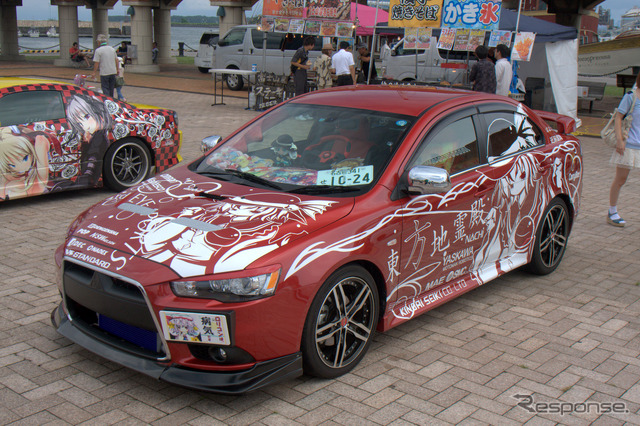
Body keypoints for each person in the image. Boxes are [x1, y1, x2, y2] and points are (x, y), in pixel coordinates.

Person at [608, 74, 640, 227]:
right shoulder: (631, 96)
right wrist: (620, 140)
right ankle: (612, 211)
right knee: (621, 179)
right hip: (630, 145)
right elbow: (618, 117)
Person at [92, 34, 120, 98]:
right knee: (111, 89)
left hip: (104, 73)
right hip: (113, 71)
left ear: (99, 42)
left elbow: (96, 63)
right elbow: (116, 60)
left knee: (105, 88)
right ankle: (112, 100)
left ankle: (107, 101)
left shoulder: (98, 50)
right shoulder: (112, 49)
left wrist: (94, 72)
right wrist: (117, 69)